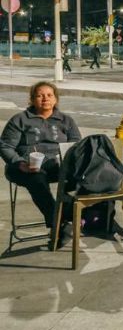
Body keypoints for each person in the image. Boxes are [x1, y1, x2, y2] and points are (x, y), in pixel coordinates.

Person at [0, 82, 81, 228]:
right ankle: (58, 221)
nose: (45, 99)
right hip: (25, 167)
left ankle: (71, 214)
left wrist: (66, 160)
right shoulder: (20, 119)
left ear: (55, 99)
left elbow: (76, 145)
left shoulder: (66, 120)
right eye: (40, 95)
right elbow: (6, 146)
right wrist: (20, 164)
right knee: (37, 178)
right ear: (32, 99)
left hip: (56, 165)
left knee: (83, 174)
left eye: (49, 95)